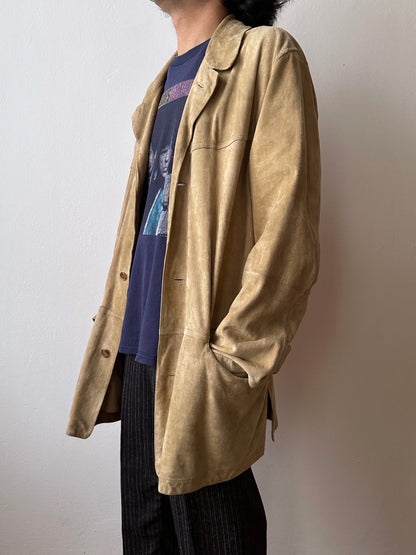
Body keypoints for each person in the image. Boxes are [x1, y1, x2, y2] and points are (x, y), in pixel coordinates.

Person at [66, 0, 321, 553]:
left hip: (202, 365)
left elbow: (288, 239)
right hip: (136, 356)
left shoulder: (266, 57)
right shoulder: (159, 90)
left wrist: (231, 361)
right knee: (145, 541)